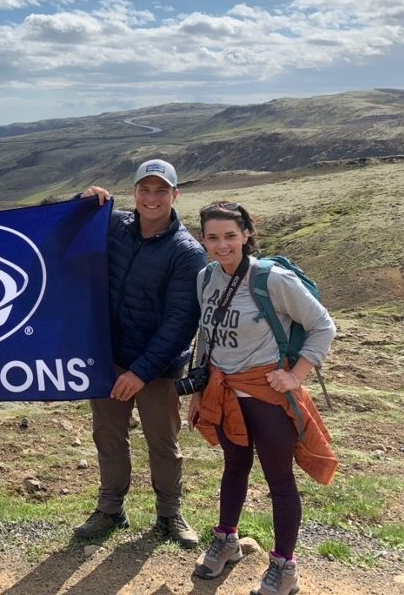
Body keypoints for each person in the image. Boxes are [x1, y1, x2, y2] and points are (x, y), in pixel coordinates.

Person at [188, 201, 337, 595]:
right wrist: (199, 389)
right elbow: (206, 334)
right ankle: (227, 540)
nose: (222, 246)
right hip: (223, 392)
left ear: (247, 235)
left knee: (279, 479)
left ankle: (285, 568)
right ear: (203, 239)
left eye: (230, 236)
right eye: (213, 237)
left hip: (266, 393)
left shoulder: (271, 279)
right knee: (233, 467)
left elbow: (322, 324)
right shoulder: (205, 279)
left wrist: (295, 375)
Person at [74, 159, 207, 547]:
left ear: (175, 195)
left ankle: (169, 515)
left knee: (163, 442)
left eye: (161, 190)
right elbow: (69, 230)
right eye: (145, 190)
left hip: (159, 369)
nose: (152, 198)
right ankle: (110, 510)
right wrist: (82, 201)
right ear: (134, 192)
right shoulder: (114, 226)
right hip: (109, 358)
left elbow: (180, 322)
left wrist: (141, 373)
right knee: (108, 436)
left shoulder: (187, 253)